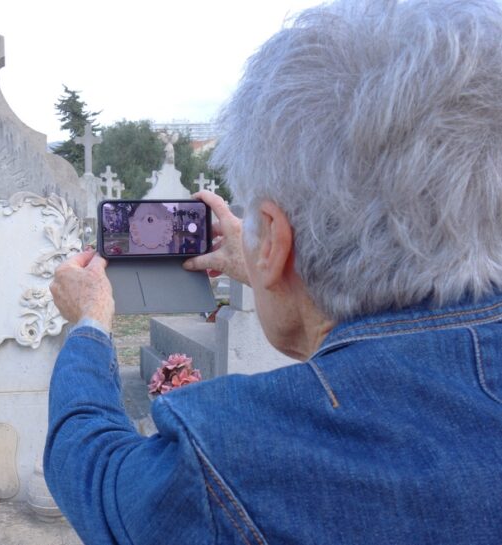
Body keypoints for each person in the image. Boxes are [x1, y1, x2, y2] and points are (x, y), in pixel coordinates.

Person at [44, 1, 502, 543]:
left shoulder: (231, 461)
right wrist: (270, 265)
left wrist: (91, 323)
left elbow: (97, 472)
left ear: (275, 236)